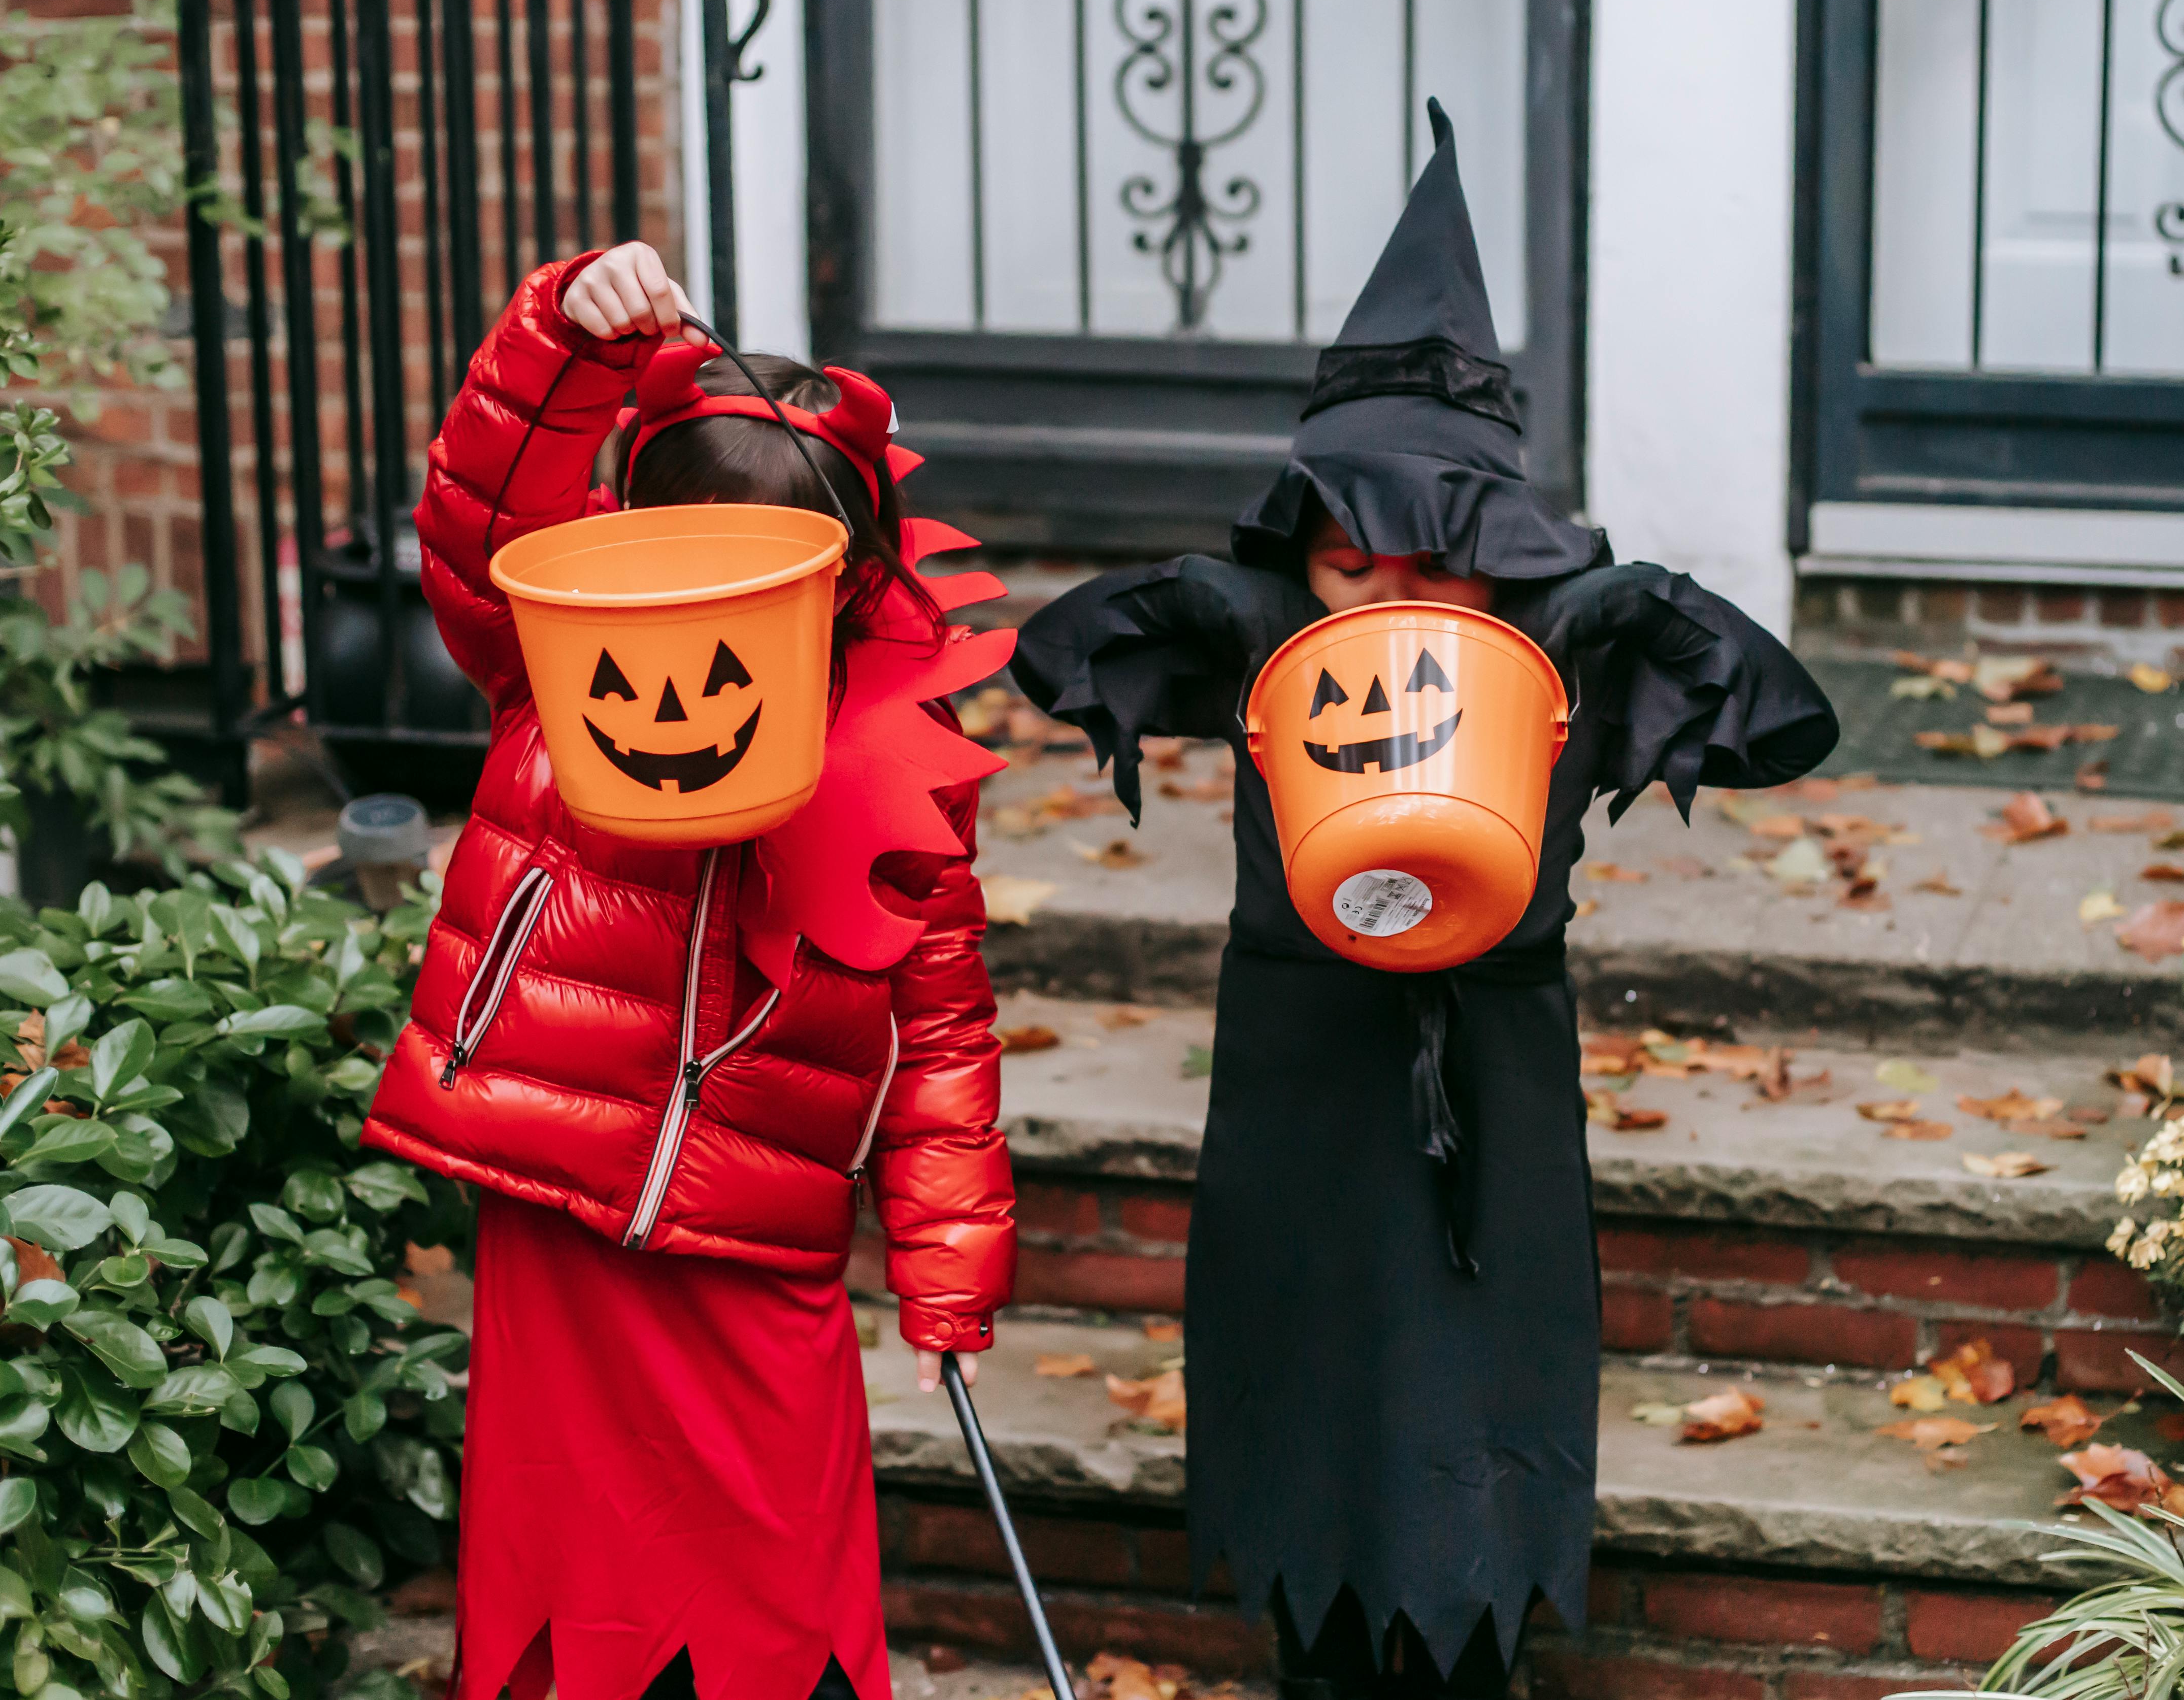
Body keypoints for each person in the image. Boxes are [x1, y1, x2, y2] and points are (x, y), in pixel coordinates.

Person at [1010, 103, 1838, 1700]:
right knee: (1314, 1507)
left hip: (1494, 1103)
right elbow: (1051, 656)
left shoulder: (1557, 661)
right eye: (1344, 563)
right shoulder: (1270, 643)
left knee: (1471, 1517)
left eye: (1435, 563)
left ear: (1503, 555)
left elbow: (1788, 717)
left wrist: (1625, 605)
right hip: (1300, 1085)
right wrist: (1233, 604)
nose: (1386, 604)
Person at [363, 242, 1018, 1700]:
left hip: (754, 1244)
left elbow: (940, 1024)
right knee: (573, 1603)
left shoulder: (893, 766)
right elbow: (482, 522)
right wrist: (563, 338)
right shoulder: (554, 661)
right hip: (567, 1212)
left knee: (776, 1605)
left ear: (843, 587)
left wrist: (948, 1266)